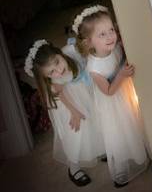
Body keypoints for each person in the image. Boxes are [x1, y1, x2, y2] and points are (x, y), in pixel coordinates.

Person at [73, 5, 148, 188]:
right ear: (89, 42)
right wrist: (122, 75)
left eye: (111, 30)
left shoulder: (117, 47)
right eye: (102, 34)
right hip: (112, 105)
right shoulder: (94, 67)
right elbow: (108, 91)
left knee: (135, 124)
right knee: (119, 133)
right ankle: (120, 170)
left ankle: (141, 154)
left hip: (127, 95)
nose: (110, 37)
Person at [24, 39, 104, 186]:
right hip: (66, 106)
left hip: (83, 95)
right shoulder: (53, 82)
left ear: (60, 53)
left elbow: (83, 47)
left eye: (57, 62)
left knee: (94, 121)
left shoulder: (70, 52)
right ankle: (73, 168)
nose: (58, 71)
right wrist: (74, 112)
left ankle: (99, 148)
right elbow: (60, 96)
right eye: (51, 72)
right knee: (74, 134)